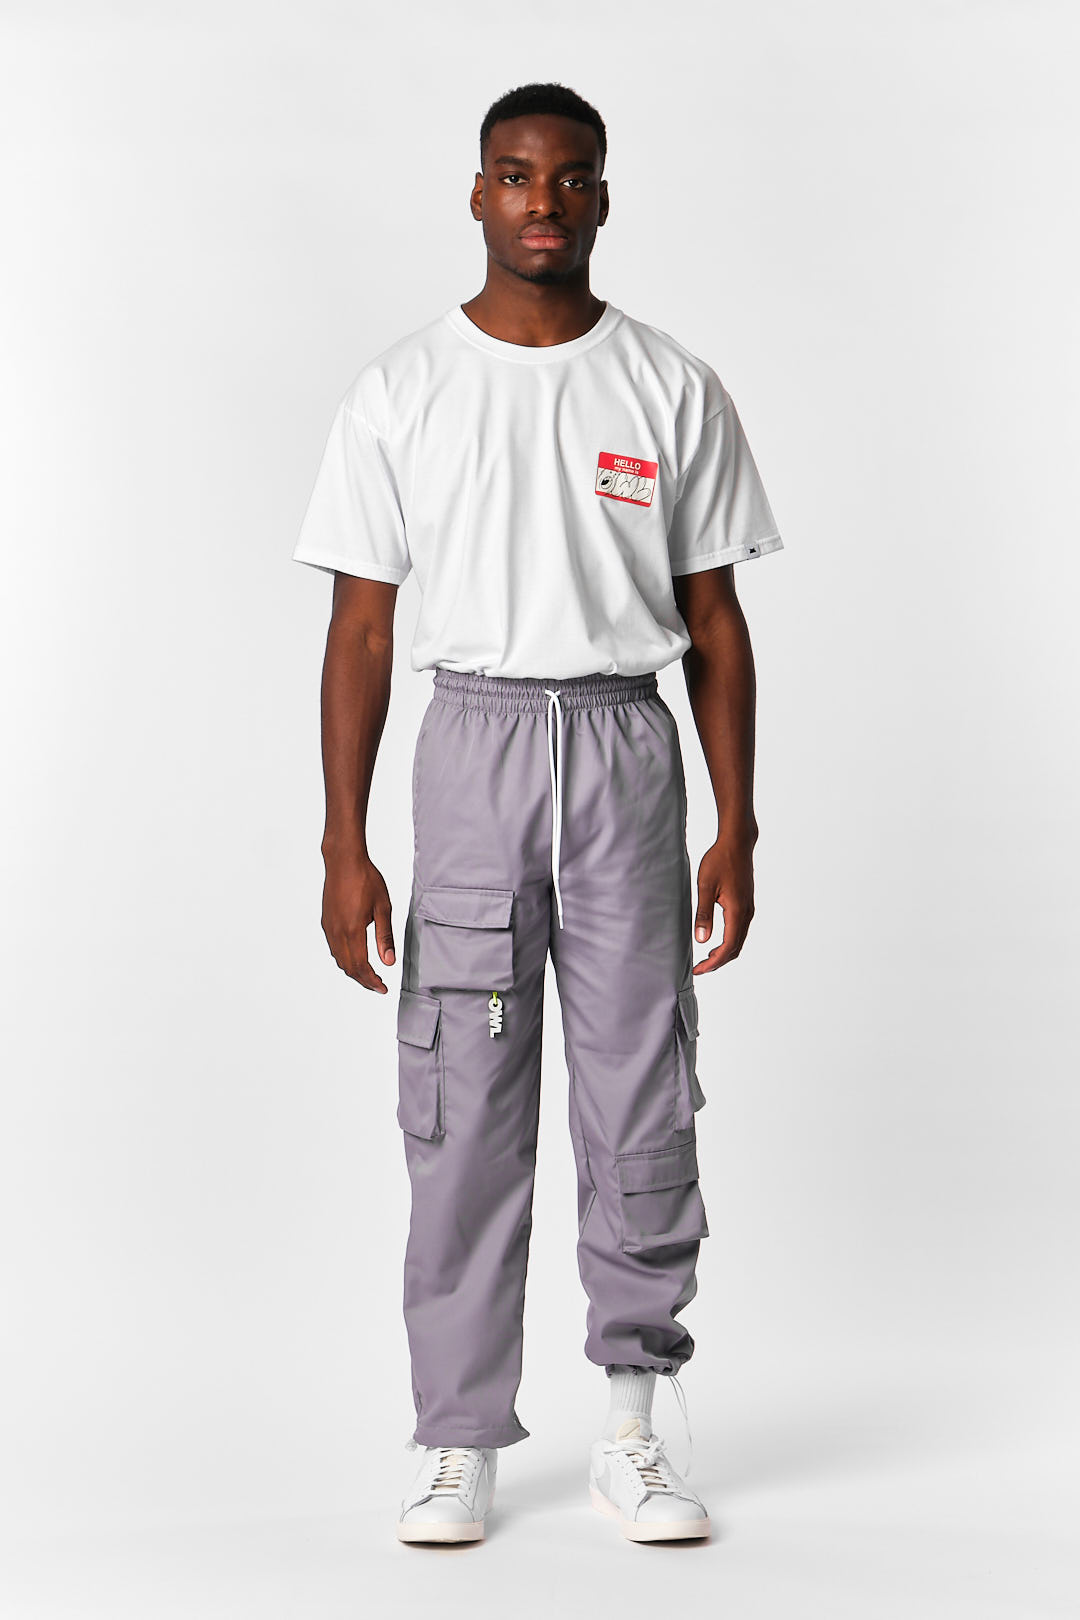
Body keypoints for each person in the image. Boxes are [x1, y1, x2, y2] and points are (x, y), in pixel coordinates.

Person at [292, 80, 783, 1545]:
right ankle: (457, 1439)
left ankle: (633, 1424)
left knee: (641, 1093)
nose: (543, 202)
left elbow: (716, 622)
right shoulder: (403, 389)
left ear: (604, 198)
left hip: (626, 749)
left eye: (571, 178)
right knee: (463, 1102)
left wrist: (738, 823)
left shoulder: (669, 385)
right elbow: (362, 630)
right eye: (515, 176)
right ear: (477, 194)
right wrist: (343, 844)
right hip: (474, 749)